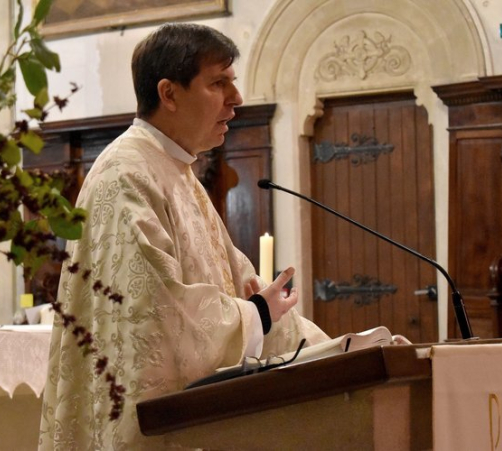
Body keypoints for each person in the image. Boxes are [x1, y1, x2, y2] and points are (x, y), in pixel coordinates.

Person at [38, 23, 329, 450]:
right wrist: (257, 315)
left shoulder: (176, 171)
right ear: (169, 93)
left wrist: (343, 349)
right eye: (218, 83)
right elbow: (155, 316)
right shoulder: (126, 176)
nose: (237, 99)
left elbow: (243, 288)